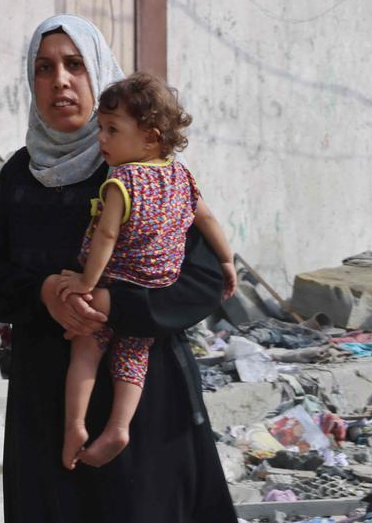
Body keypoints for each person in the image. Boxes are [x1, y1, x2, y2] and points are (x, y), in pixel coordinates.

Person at [0, 14, 314, 523]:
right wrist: (46, 294)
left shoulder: (140, 168)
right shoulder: (20, 175)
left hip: (143, 405)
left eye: (74, 67)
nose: (60, 82)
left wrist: (110, 304)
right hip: (45, 403)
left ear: (100, 77)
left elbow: (196, 282)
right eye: (44, 67)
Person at [55, 72, 236, 470]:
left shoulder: (122, 181)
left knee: (85, 349)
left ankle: (75, 424)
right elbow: (207, 219)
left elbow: (105, 235)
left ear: (150, 137)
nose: (101, 139)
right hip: (157, 286)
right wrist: (226, 260)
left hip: (116, 279)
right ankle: (120, 427)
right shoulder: (180, 174)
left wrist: (86, 282)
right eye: (100, 128)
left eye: (112, 130)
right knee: (132, 360)